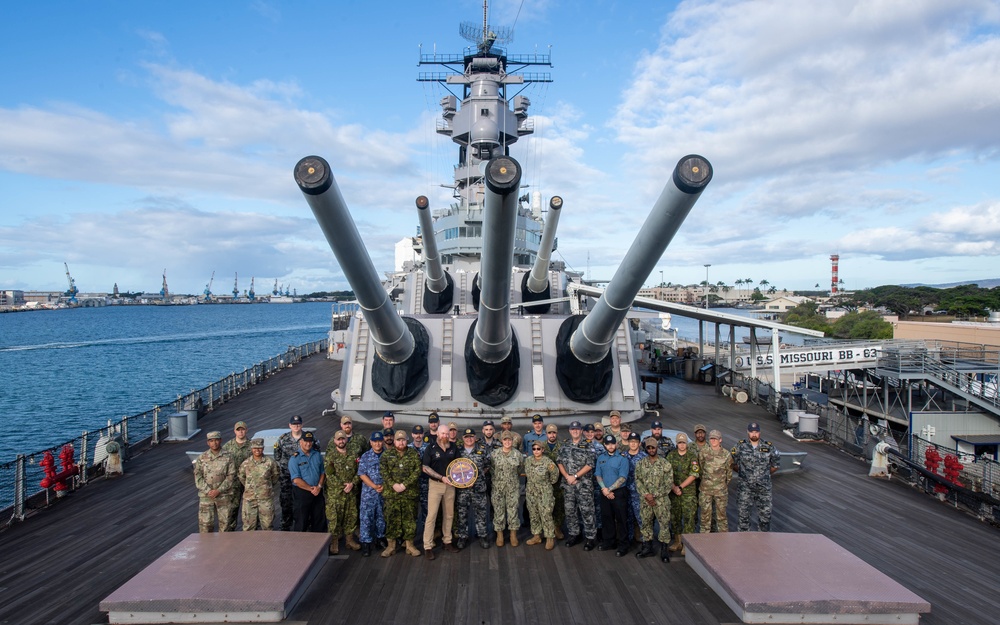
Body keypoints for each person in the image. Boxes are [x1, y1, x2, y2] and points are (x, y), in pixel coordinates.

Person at [379, 431, 422, 557]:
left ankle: (410, 545)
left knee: (410, 520)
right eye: (398, 440)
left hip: (409, 493)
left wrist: (404, 485)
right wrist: (393, 484)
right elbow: (383, 471)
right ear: (395, 441)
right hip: (392, 494)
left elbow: (417, 471)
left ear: (406, 440)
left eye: (403, 440)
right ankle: (391, 546)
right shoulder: (387, 454)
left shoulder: (413, 453)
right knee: (391, 519)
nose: (401, 442)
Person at [732, 422, 779, 532]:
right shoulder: (740, 446)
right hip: (745, 488)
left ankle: (763, 545)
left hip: (763, 488)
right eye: (752, 432)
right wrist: (744, 474)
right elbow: (732, 463)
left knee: (765, 518)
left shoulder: (769, 446)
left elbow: (775, 465)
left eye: (756, 432)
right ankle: (744, 544)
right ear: (747, 432)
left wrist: (764, 474)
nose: (754, 434)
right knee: (743, 517)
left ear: (760, 433)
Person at [557, 421, 597, 550]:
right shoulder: (564, 445)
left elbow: (590, 464)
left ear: (581, 431)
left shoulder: (588, 446)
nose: (575, 431)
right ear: (569, 430)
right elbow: (559, 462)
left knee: (587, 511)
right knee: (570, 510)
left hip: (583, 485)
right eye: (572, 429)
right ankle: (574, 534)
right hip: (569, 485)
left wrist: (575, 476)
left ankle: (590, 537)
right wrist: (567, 477)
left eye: (577, 429)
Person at [421, 426, 460, 559]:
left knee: (449, 515)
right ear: (437, 433)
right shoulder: (430, 448)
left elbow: (460, 465)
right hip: (436, 485)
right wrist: (441, 477)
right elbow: (425, 467)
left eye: (447, 433)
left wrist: (463, 479)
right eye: (442, 433)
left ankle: (447, 541)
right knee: (431, 516)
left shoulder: (454, 447)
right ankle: (428, 545)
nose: (445, 435)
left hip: (450, 486)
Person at [634, 437, 673, 562]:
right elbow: (638, 480)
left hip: (661, 501)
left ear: (657, 448)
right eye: (648, 448)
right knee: (646, 523)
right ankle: (647, 547)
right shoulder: (640, 464)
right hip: (645, 500)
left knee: (664, 524)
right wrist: (647, 495)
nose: (651, 450)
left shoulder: (665, 463)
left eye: (653, 447)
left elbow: (668, 483)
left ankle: (664, 549)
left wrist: (654, 495)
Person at [454, 428, 492, 550]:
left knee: (481, 513)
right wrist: (463, 481)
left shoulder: (482, 450)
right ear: (462, 438)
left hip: (479, 487)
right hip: (462, 489)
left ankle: (482, 535)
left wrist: (477, 475)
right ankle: (462, 536)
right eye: (466, 437)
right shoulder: (457, 451)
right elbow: (453, 468)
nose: (469, 439)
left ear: (475, 438)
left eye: (471, 436)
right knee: (462, 514)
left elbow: (487, 465)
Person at [325, 429, 361, 554]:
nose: (341, 441)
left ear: (346, 439)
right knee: (334, 519)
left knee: (351, 517)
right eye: (338, 439)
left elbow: (359, 471)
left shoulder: (354, 454)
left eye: (343, 438)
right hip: (336, 494)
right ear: (334, 441)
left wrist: (352, 483)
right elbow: (329, 475)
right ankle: (334, 543)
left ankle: (349, 540)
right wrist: (343, 486)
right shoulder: (330, 456)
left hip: (351, 492)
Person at [594, 434, 630, 556]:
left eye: (612, 443)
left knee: (621, 520)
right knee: (607, 517)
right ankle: (609, 541)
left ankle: (623, 545)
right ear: (605, 445)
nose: (610, 446)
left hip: (619, 492)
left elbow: (623, 477)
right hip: (604, 491)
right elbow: (598, 474)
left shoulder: (622, 458)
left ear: (616, 444)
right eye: (608, 444)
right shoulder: (601, 458)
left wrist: (609, 489)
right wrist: (604, 489)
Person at [194, 430, 235, 533]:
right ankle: (207, 548)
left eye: (216, 440)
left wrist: (219, 490)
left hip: (223, 495)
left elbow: (231, 476)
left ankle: (225, 548)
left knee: (225, 525)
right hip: (206, 496)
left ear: (220, 440)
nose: (214, 443)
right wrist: (208, 491)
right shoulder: (202, 458)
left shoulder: (228, 456)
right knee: (205, 526)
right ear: (208, 443)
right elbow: (198, 476)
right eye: (211, 441)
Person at [666, 433, 700, 554]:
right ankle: (677, 541)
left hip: (688, 493)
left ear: (686, 443)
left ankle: (687, 544)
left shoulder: (692, 457)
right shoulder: (671, 456)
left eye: (683, 442)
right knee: (675, 518)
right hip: (674, 493)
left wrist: (680, 487)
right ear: (676, 443)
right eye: (679, 442)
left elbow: (694, 474)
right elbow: (667, 474)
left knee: (689, 519)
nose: (681, 445)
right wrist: (674, 488)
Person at [490, 431, 524, 547]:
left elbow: (520, 469)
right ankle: (500, 535)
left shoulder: (517, 455)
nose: (507, 442)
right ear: (502, 441)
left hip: (512, 487)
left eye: (509, 440)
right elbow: (491, 469)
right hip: (498, 487)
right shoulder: (494, 454)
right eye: (505, 440)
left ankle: (513, 534)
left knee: (513, 510)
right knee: (498, 510)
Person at [523, 441, 559, 550]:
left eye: (539, 449)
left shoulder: (548, 462)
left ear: (543, 450)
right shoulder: (528, 461)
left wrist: (545, 485)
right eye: (534, 449)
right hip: (531, 492)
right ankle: (537, 536)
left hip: (544, 491)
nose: (536, 451)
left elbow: (554, 476)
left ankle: (549, 537)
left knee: (546, 514)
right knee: (533, 514)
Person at [238, 437, 279, 531]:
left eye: (259, 448)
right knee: (249, 526)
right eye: (255, 448)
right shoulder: (246, 463)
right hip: (250, 499)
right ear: (251, 449)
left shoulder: (270, 462)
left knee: (267, 525)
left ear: (263, 448)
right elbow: (241, 477)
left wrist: (266, 486)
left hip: (265, 498)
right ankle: (249, 545)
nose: (257, 450)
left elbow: (275, 475)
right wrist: (250, 487)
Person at [273, 415, 307, 531]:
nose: (296, 426)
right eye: (294, 424)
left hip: (303, 475)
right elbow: (277, 455)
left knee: (303, 500)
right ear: (290, 425)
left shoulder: (307, 438)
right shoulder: (283, 439)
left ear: (301, 425)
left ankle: (304, 524)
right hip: (286, 476)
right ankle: (285, 525)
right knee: (286, 500)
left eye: (298, 424)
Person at [289, 431, 325, 532]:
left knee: (319, 521)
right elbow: (296, 479)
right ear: (301, 441)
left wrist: (319, 486)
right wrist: (311, 489)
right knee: (301, 521)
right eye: (305, 441)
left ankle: (319, 545)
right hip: (302, 493)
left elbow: (322, 472)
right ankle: (300, 546)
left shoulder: (317, 455)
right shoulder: (294, 458)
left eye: (310, 441)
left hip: (317, 492)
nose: (308, 444)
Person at [358, 431, 387, 556]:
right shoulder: (365, 456)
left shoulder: (388, 455)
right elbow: (362, 474)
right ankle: (366, 542)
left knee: (382, 517)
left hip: (384, 492)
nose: (377, 443)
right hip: (369, 493)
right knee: (366, 518)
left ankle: (380, 538)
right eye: (375, 441)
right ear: (371, 442)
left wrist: (384, 486)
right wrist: (374, 486)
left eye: (379, 441)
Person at [699, 430, 733, 533]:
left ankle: (723, 543)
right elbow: (700, 469)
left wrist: (721, 485)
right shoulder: (703, 452)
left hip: (720, 491)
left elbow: (729, 474)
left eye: (715, 439)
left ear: (720, 440)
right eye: (711, 439)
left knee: (721, 518)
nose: (713, 441)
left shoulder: (726, 455)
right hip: (706, 490)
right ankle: (704, 542)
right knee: (705, 518)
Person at [222, 421, 253, 531]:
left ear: (246, 430)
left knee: (250, 508)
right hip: (233, 482)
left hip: (248, 481)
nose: (241, 432)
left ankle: (251, 530)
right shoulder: (227, 446)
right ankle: (230, 531)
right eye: (238, 430)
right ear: (234, 431)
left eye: (243, 429)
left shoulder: (252, 445)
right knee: (232, 508)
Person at [541, 424, 565, 539]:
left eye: (554, 433)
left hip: (559, 481)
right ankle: (547, 528)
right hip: (545, 482)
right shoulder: (541, 446)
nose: (552, 435)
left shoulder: (562, 447)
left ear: (557, 433)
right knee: (545, 506)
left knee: (559, 506)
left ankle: (557, 527)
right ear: (546, 434)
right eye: (550, 433)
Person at [623, 432, 647, 543]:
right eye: (631, 441)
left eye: (635, 442)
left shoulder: (644, 457)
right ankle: (629, 538)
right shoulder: (622, 456)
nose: (633, 444)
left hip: (639, 493)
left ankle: (645, 541)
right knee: (627, 517)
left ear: (639, 443)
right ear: (628, 443)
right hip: (625, 492)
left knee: (642, 518)